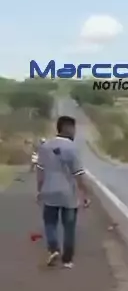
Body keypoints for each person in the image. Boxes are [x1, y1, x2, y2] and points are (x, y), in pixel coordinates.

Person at [36, 115, 90, 268]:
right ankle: (67, 260)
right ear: (68, 128)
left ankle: (53, 249)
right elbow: (78, 174)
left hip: (49, 191)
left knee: (50, 222)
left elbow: (40, 172)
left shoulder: (45, 147)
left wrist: (39, 190)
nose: (74, 132)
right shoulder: (72, 148)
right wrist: (85, 194)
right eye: (73, 128)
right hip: (68, 194)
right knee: (69, 226)